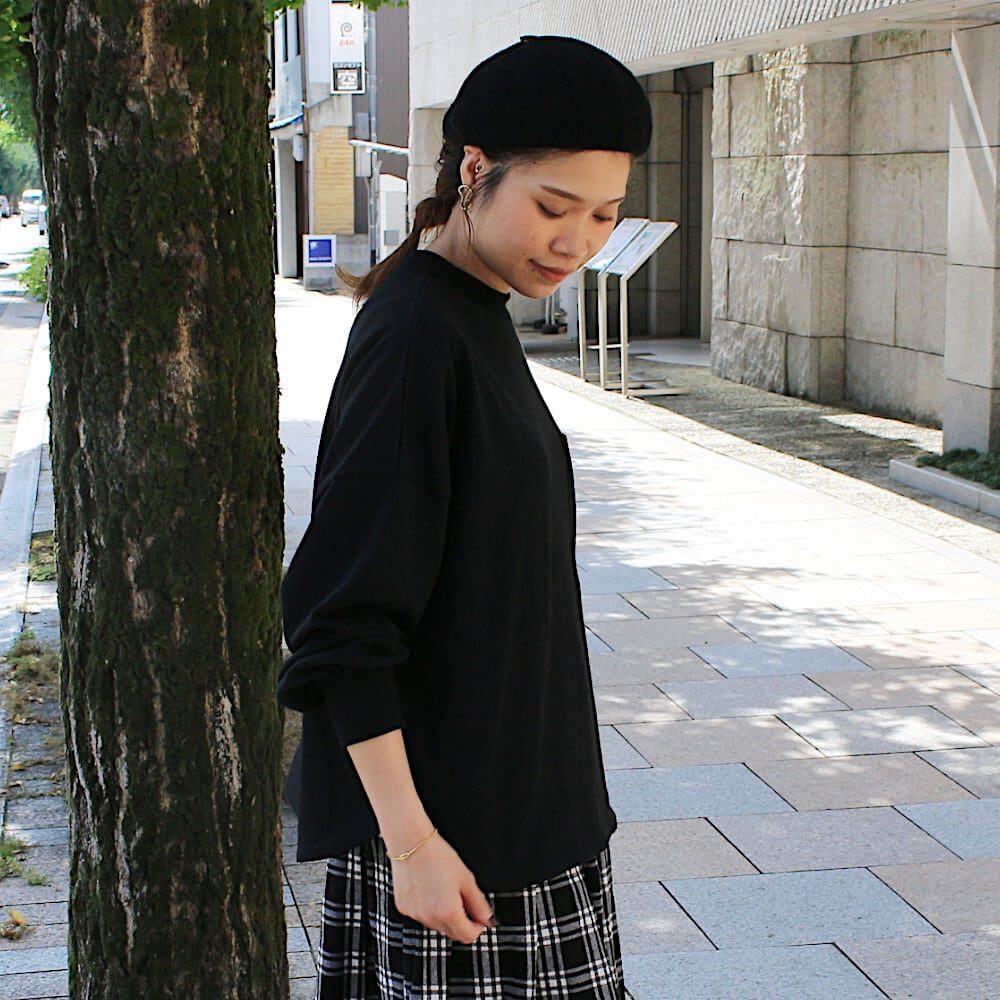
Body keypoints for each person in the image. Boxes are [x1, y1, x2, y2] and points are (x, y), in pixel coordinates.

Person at [278, 35, 652, 999]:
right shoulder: (417, 334)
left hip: (521, 814)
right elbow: (341, 624)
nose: (576, 241)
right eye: (553, 207)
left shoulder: (471, 310)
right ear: (474, 171)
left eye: (604, 214)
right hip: (460, 852)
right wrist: (413, 848)